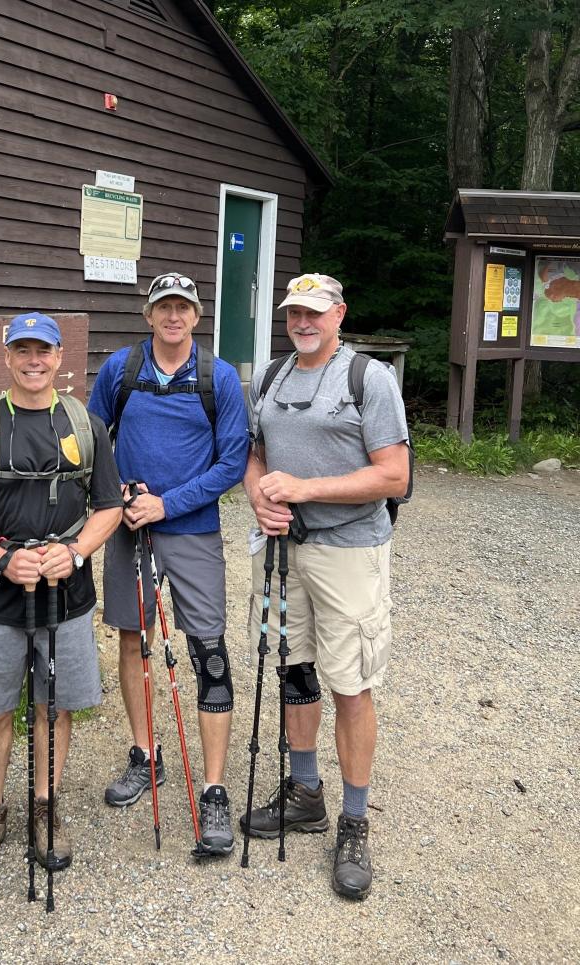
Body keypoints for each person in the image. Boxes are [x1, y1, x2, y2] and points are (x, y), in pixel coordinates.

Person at [239, 272, 410, 899]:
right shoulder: (271, 377)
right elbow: (256, 454)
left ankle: (355, 820)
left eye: (314, 312)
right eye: (293, 313)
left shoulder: (370, 379)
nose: (302, 323)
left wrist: (305, 490)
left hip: (348, 553)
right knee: (295, 670)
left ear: (339, 313)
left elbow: (393, 475)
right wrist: (260, 495)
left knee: (352, 685)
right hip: (285, 551)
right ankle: (305, 792)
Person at [0, 312, 122, 880]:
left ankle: (46, 806)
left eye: (44, 351)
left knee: (54, 704)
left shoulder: (85, 425)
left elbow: (108, 506)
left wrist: (76, 552)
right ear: (8, 356)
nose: (34, 361)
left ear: (60, 357)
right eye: (23, 351)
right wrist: (1, 560)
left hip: (67, 594)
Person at [88, 271, 250, 856]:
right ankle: (144, 754)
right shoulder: (121, 369)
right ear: (149, 314)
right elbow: (91, 435)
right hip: (130, 528)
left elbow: (232, 463)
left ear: (197, 315)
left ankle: (212, 788)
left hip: (193, 531)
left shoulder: (219, 378)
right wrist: (119, 493)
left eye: (183, 307)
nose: (173, 316)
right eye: (163, 307)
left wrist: (168, 502)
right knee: (134, 641)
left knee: (209, 648)